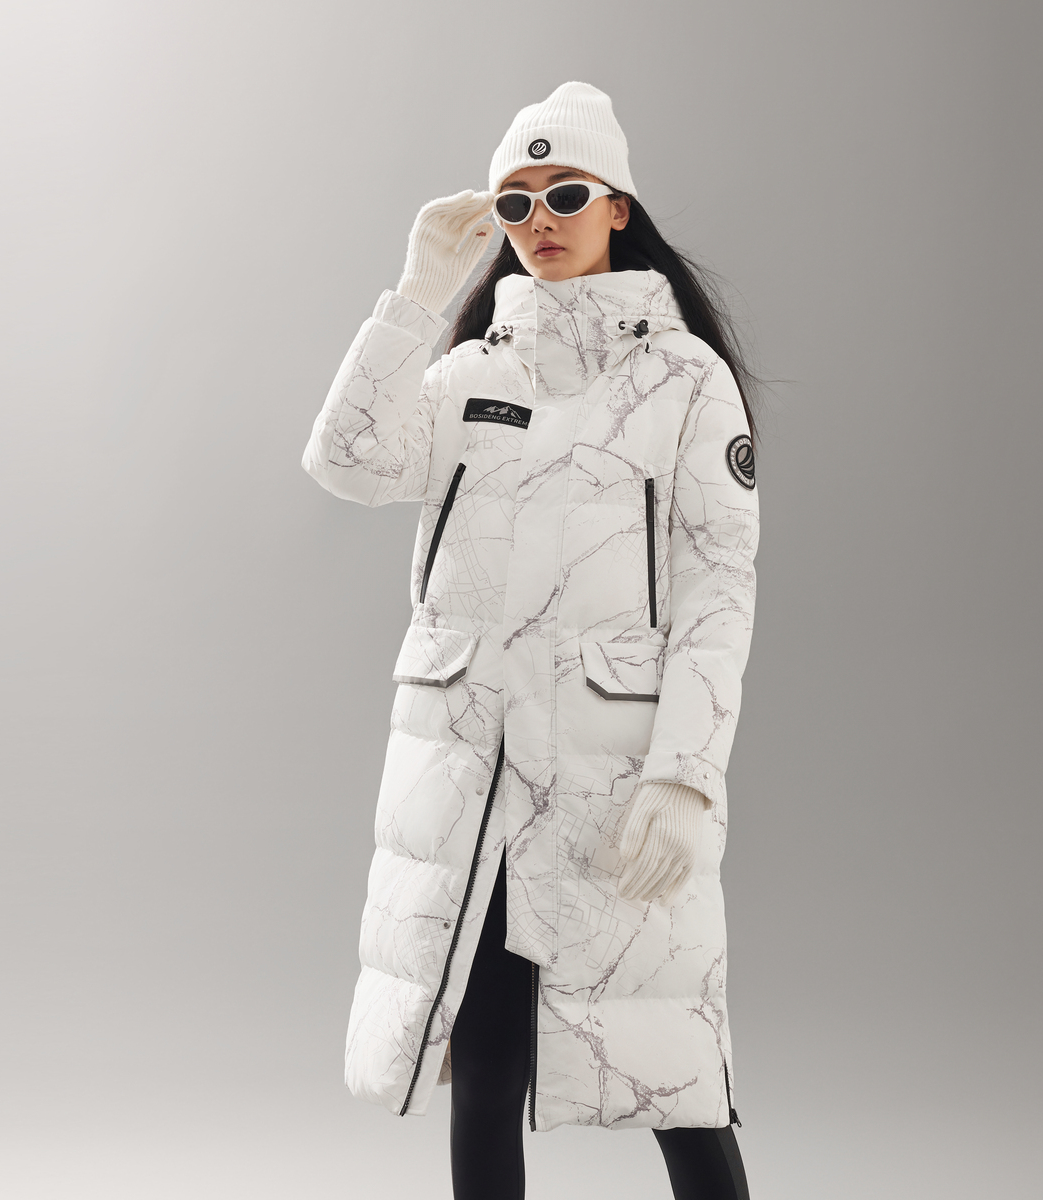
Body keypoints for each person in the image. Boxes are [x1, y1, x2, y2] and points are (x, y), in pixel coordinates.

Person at [303, 81, 759, 1200]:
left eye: (565, 193)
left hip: (613, 777)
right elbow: (347, 461)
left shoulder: (685, 380)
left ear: (618, 208)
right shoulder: (468, 375)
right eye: (514, 201)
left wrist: (688, 774)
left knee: (671, 1068)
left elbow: (718, 587)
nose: (539, 219)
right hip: (472, 778)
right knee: (487, 1058)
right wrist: (417, 296)